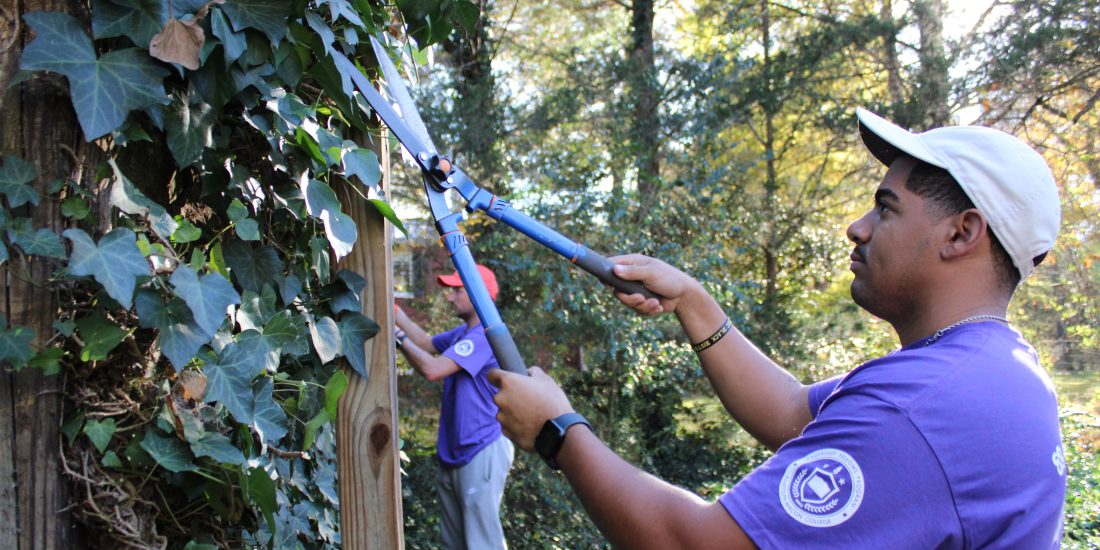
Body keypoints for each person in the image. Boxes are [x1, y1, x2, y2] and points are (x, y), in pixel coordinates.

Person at [487, 108, 1067, 549]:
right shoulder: (988, 366)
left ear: (962, 234)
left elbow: (693, 543)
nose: (857, 227)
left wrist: (556, 433)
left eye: (885, 208)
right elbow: (790, 411)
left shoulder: (920, 406)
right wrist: (693, 300)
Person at [394, 264, 514, 550]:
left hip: (481, 447)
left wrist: (397, 337)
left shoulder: (487, 334)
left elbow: (433, 369)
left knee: (482, 544)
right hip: (456, 452)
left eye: (457, 291)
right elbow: (425, 343)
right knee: (455, 544)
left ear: (478, 294)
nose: (450, 297)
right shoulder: (463, 333)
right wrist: (395, 312)